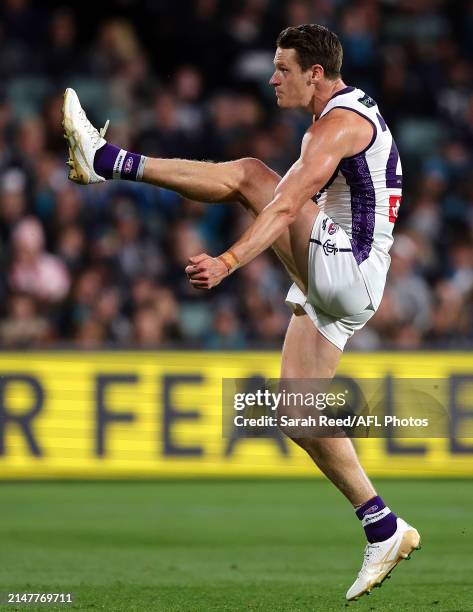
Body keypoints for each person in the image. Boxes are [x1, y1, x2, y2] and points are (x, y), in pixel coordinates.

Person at [62, 23, 420, 601]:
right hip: (347, 278)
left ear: (316, 73)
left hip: (349, 269)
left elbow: (282, 210)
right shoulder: (336, 118)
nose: (272, 79)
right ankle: (383, 527)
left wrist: (229, 262)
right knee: (297, 414)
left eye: (283, 69)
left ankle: (108, 159)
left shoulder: (340, 124)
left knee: (254, 176)